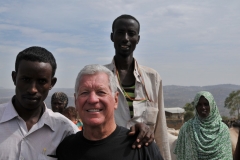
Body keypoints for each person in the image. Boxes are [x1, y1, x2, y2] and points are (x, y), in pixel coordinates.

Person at [56, 64, 163, 160]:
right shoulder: (66, 149)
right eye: (84, 92)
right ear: (76, 101)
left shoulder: (140, 146)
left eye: (101, 92)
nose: (92, 99)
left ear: (115, 100)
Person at [105, 14, 171, 159]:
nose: (126, 38)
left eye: (131, 33)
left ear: (138, 39)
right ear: (112, 36)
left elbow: (160, 130)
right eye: (120, 32)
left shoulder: (153, 78)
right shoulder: (101, 77)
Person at [0, 46, 79, 159]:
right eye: (26, 80)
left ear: (52, 83)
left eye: (41, 81)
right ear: (14, 78)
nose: (32, 89)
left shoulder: (65, 130)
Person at [174, 91, 232, 160]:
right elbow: (181, 155)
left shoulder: (222, 130)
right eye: (199, 104)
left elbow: (226, 156)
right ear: (196, 106)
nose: (203, 107)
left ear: (212, 105)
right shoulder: (187, 128)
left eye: (206, 104)